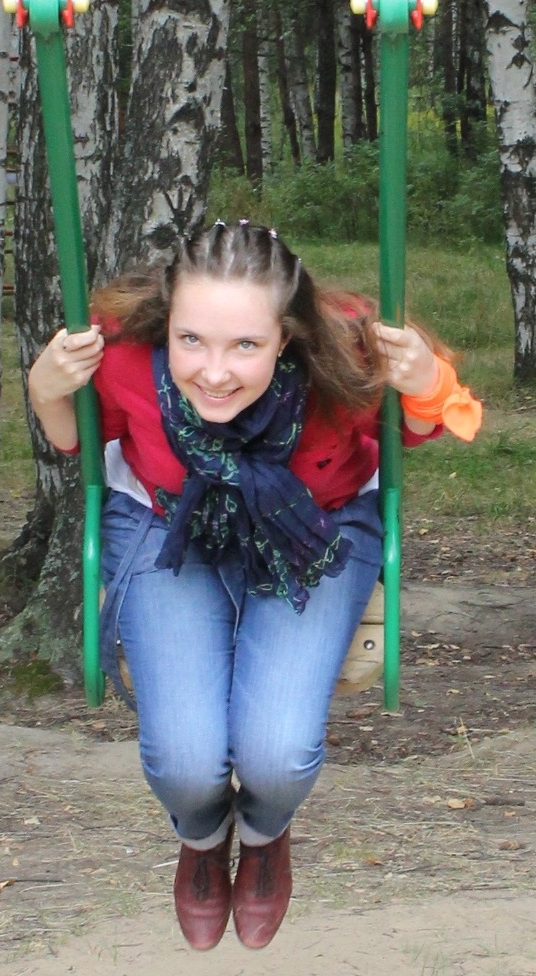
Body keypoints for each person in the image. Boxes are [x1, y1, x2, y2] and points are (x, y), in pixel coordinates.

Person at [28, 221, 482, 952]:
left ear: (286, 335)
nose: (214, 372)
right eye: (192, 340)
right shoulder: (122, 354)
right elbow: (76, 437)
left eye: (245, 344)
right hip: (171, 524)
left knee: (276, 754)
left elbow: (426, 425)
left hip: (313, 528)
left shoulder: (343, 353)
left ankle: (266, 833)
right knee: (185, 764)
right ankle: (203, 837)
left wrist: (427, 379)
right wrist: (45, 389)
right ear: (166, 323)